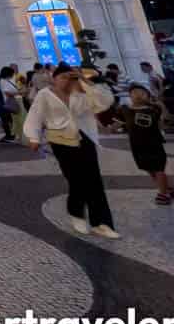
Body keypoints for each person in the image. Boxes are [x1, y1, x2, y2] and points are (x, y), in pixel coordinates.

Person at [24, 64, 119, 238]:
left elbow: (105, 101)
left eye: (70, 77)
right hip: (60, 140)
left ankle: (101, 223)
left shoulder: (81, 93)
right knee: (76, 179)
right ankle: (76, 213)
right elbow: (35, 115)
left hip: (84, 137)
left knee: (94, 180)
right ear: (54, 78)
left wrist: (84, 82)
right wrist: (34, 137)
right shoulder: (45, 94)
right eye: (63, 77)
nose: (67, 81)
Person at [122, 83, 174, 205]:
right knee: (150, 170)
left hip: (154, 144)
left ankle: (163, 195)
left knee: (158, 169)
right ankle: (169, 188)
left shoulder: (154, 109)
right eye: (134, 93)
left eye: (142, 93)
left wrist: (162, 108)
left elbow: (166, 121)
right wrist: (108, 128)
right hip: (137, 147)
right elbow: (118, 122)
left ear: (148, 96)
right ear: (130, 96)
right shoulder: (126, 110)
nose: (138, 95)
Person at [0, 66, 21, 143]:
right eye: (12, 73)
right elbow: (7, 92)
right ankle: (10, 135)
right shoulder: (3, 81)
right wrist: (19, 92)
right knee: (9, 120)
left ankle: (11, 134)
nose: (13, 74)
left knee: (10, 120)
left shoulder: (7, 81)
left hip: (10, 101)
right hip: (9, 102)